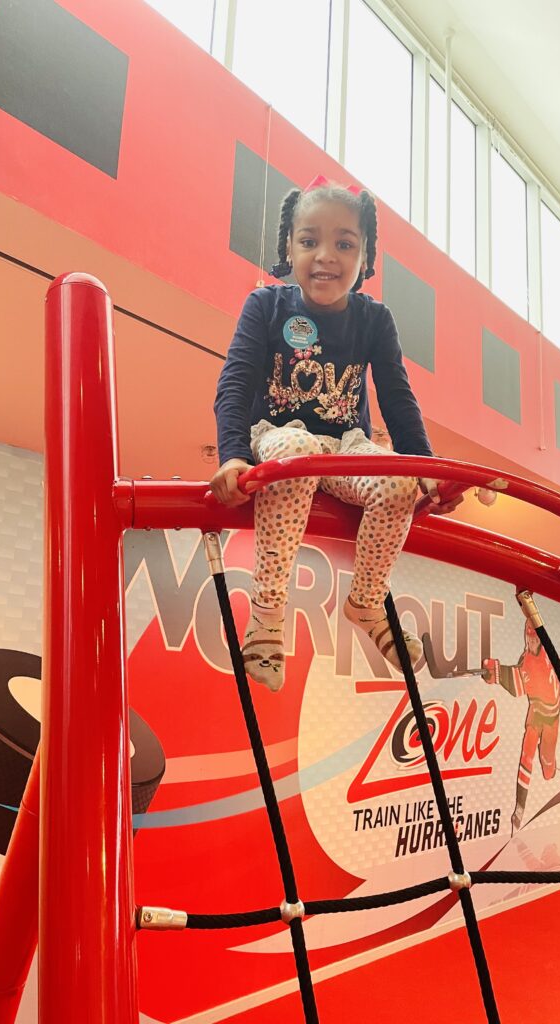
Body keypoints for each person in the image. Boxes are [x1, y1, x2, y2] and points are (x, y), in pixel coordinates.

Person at [211, 176, 457, 692]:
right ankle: (268, 612)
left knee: (396, 481)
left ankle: (367, 601)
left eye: (344, 243)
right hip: (277, 436)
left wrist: (425, 467)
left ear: (365, 256)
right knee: (297, 453)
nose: (326, 255)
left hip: (346, 446)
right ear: (289, 247)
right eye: (309, 241)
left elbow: (396, 396)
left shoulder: (374, 320)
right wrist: (233, 454)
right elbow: (234, 382)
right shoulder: (266, 307)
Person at [482, 620, 560, 834]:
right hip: (536, 713)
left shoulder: (546, 658)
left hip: (552, 719)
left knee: (547, 768)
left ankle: (552, 767)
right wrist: (495, 674)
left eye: (534, 636)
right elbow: (519, 684)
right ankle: (519, 809)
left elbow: (523, 681)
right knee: (526, 757)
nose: (531, 640)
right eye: (528, 636)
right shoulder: (526, 659)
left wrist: (497, 673)